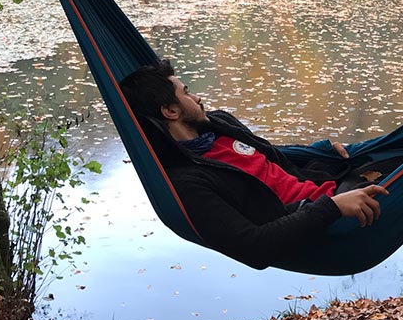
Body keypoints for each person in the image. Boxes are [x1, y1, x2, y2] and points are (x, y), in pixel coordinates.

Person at [119, 59, 388, 269]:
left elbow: (266, 154)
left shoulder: (219, 124)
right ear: (171, 111)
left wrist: (318, 151)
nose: (198, 98)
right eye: (187, 93)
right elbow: (253, 247)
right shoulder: (187, 182)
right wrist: (332, 208)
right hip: (329, 220)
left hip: (332, 185)